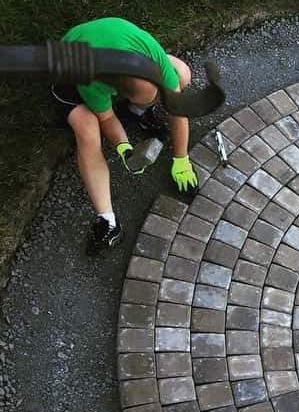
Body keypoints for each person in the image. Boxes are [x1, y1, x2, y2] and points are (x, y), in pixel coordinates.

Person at [51, 17, 199, 254]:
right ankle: (108, 222)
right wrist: (123, 147)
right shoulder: (91, 78)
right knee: (87, 129)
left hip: (112, 48)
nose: (159, 101)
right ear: (118, 91)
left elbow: (177, 108)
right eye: (152, 100)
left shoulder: (152, 55)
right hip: (69, 70)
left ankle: (136, 110)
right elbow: (106, 118)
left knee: (181, 74)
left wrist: (181, 159)